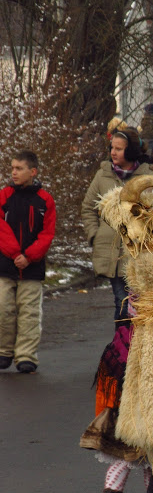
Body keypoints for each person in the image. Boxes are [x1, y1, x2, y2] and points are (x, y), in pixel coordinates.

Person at [81, 127, 153, 323]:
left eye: (119, 148)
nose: (113, 152)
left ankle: (131, 347)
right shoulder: (103, 175)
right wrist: (95, 234)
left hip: (138, 253)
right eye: (112, 148)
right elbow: (88, 208)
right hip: (110, 252)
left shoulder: (148, 178)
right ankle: (123, 348)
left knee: (138, 304)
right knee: (122, 302)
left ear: (132, 151)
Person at [0, 150, 56, 373]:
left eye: (19, 168)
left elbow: (47, 233)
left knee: (29, 312)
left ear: (32, 172)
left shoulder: (45, 200)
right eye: (12, 168)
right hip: (5, 264)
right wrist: (15, 254)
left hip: (32, 267)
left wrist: (30, 256)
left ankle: (26, 355)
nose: (14, 172)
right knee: (3, 309)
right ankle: (4, 351)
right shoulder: (4, 196)